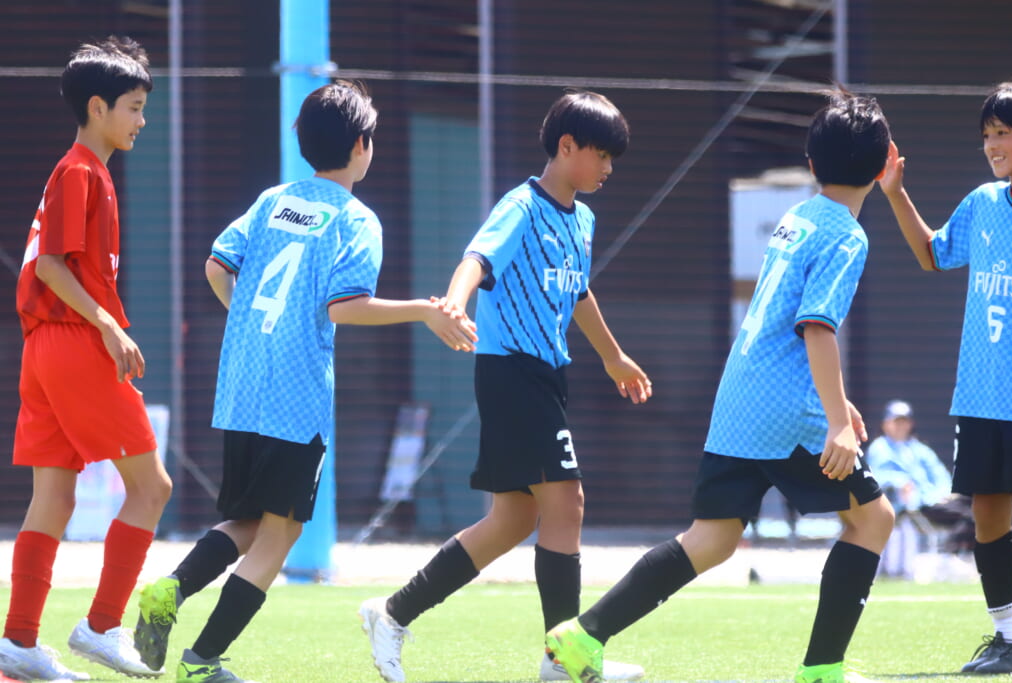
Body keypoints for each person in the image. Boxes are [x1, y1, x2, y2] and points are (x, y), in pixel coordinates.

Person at [129, 80, 477, 683]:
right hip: (295, 395)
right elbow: (345, 306)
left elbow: (216, 265)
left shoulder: (274, 200)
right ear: (362, 145)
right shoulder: (357, 220)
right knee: (283, 529)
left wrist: (250, 321)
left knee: (249, 520)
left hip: (242, 383)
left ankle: (169, 589)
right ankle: (201, 661)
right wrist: (423, 310)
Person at [545, 89, 896, 683]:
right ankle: (822, 673)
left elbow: (786, 324)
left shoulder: (798, 218)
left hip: (740, 398)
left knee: (711, 538)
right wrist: (836, 420)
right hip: (786, 411)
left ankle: (581, 636)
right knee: (873, 520)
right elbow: (816, 326)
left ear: (812, 163)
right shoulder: (847, 235)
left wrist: (838, 403)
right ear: (886, 162)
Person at [358, 90, 652, 683]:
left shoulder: (583, 219)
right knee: (567, 501)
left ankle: (392, 613)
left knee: (514, 519)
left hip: (546, 376)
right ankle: (564, 658)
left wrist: (613, 356)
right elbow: (477, 260)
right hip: (511, 372)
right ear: (566, 146)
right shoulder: (521, 206)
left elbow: (579, 292)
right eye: (601, 155)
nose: (608, 168)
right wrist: (454, 303)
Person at [0, 36, 171, 682]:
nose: (141, 120)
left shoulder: (84, 171)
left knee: (53, 496)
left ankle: (18, 642)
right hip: (73, 341)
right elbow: (50, 264)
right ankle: (101, 626)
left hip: (43, 347)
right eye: (134, 107)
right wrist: (108, 326)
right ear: (97, 107)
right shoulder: (81, 171)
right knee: (152, 487)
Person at [880, 81, 1012, 674]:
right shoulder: (983, 202)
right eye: (987, 135)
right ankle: (1009, 641)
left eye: (1004, 133)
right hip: (981, 395)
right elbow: (933, 254)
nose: (992, 145)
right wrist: (895, 192)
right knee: (988, 516)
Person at [865, 400, 952, 580]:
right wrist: (900, 483)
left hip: (924, 504)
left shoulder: (920, 449)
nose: (900, 426)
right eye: (896, 421)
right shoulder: (879, 447)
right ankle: (892, 571)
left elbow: (941, 476)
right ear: (885, 424)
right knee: (900, 522)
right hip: (892, 506)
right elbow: (875, 476)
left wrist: (941, 495)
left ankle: (923, 571)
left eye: (904, 421)